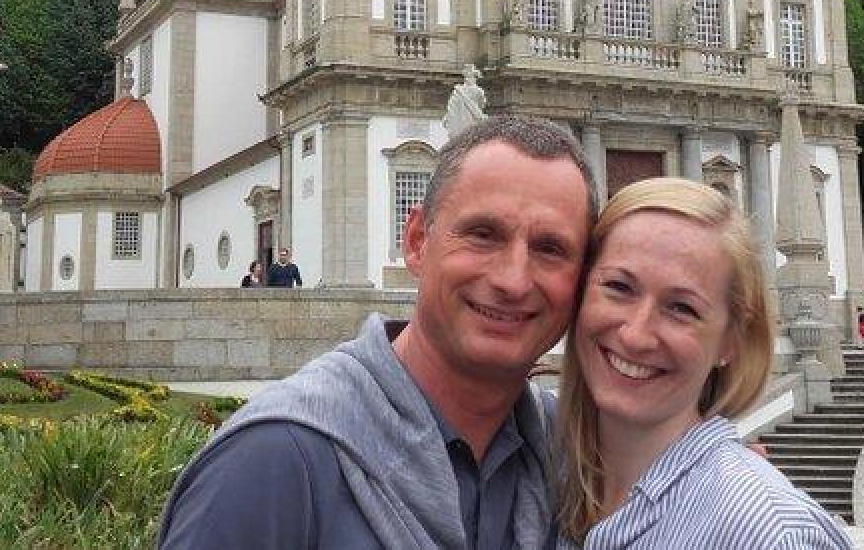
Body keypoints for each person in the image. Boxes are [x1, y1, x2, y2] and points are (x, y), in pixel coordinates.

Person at [160, 116, 598, 548]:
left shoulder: (577, 457)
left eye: (550, 248)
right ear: (416, 241)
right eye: (483, 235)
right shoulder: (275, 461)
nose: (513, 280)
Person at [556, 177, 851, 549]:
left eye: (682, 308)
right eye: (619, 287)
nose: (635, 335)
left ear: (731, 342)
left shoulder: (765, 533)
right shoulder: (545, 472)